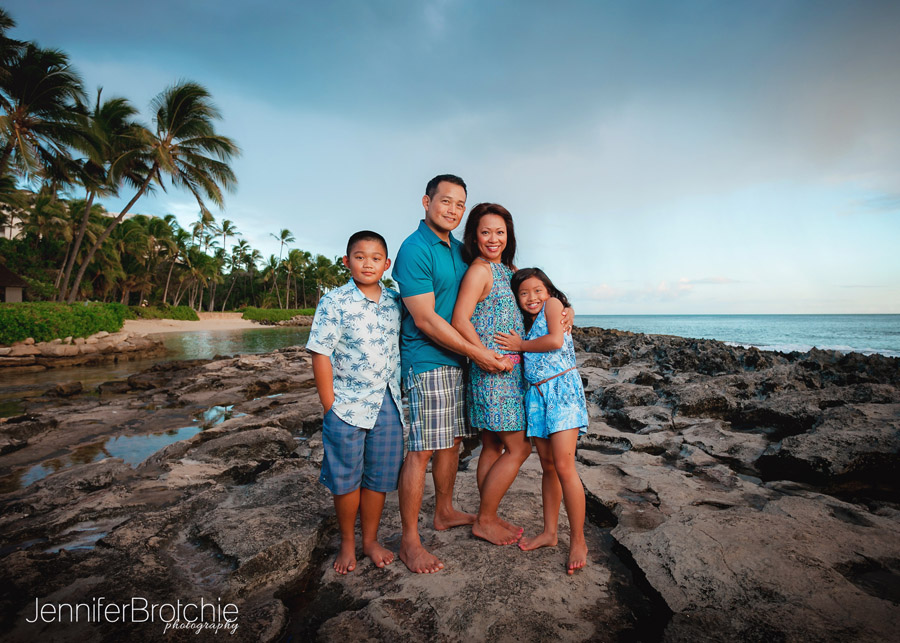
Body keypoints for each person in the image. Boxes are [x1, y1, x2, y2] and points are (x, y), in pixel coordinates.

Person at [392, 175, 514, 574]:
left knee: (452, 442)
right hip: (428, 359)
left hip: (459, 361)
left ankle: (443, 510)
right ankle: (410, 542)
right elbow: (425, 319)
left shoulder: (459, 250)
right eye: (446, 201)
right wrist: (479, 353)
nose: (453, 210)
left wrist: (565, 311)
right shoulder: (415, 249)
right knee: (422, 449)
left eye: (460, 205)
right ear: (427, 201)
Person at [307, 230, 405, 574]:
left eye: (376, 258)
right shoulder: (334, 301)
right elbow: (321, 353)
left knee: (379, 477)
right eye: (360, 257)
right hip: (346, 405)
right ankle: (348, 541)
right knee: (346, 478)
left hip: (388, 402)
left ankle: (370, 540)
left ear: (387, 264)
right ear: (347, 261)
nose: (368, 263)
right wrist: (328, 404)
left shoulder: (396, 301)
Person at [495, 268, 589, 574]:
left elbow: (554, 340)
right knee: (548, 466)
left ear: (548, 290)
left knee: (564, 465)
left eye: (537, 290)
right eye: (523, 293)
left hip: (561, 390)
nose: (531, 297)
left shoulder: (552, 306)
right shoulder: (526, 320)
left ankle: (578, 539)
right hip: (536, 397)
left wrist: (520, 346)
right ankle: (550, 533)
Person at [451, 203, 530, 546]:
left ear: (508, 235)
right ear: (474, 236)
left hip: (509, 372)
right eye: (486, 232)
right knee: (520, 448)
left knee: (493, 444)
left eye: (500, 232)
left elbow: (539, 298)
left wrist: (566, 309)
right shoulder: (479, 270)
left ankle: (488, 514)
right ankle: (484, 519)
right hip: (492, 372)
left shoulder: (508, 271)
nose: (493, 238)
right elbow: (460, 319)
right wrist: (483, 356)